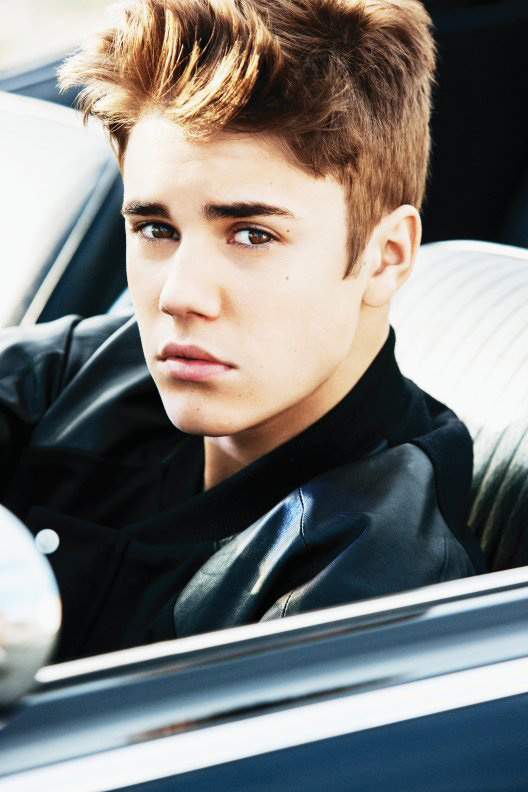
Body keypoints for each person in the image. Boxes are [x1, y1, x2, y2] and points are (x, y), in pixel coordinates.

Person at [0, 0, 484, 663]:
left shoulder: (367, 580)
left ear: (386, 257)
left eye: (252, 235)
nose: (179, 295)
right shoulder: (79, 374)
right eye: (156, 229)